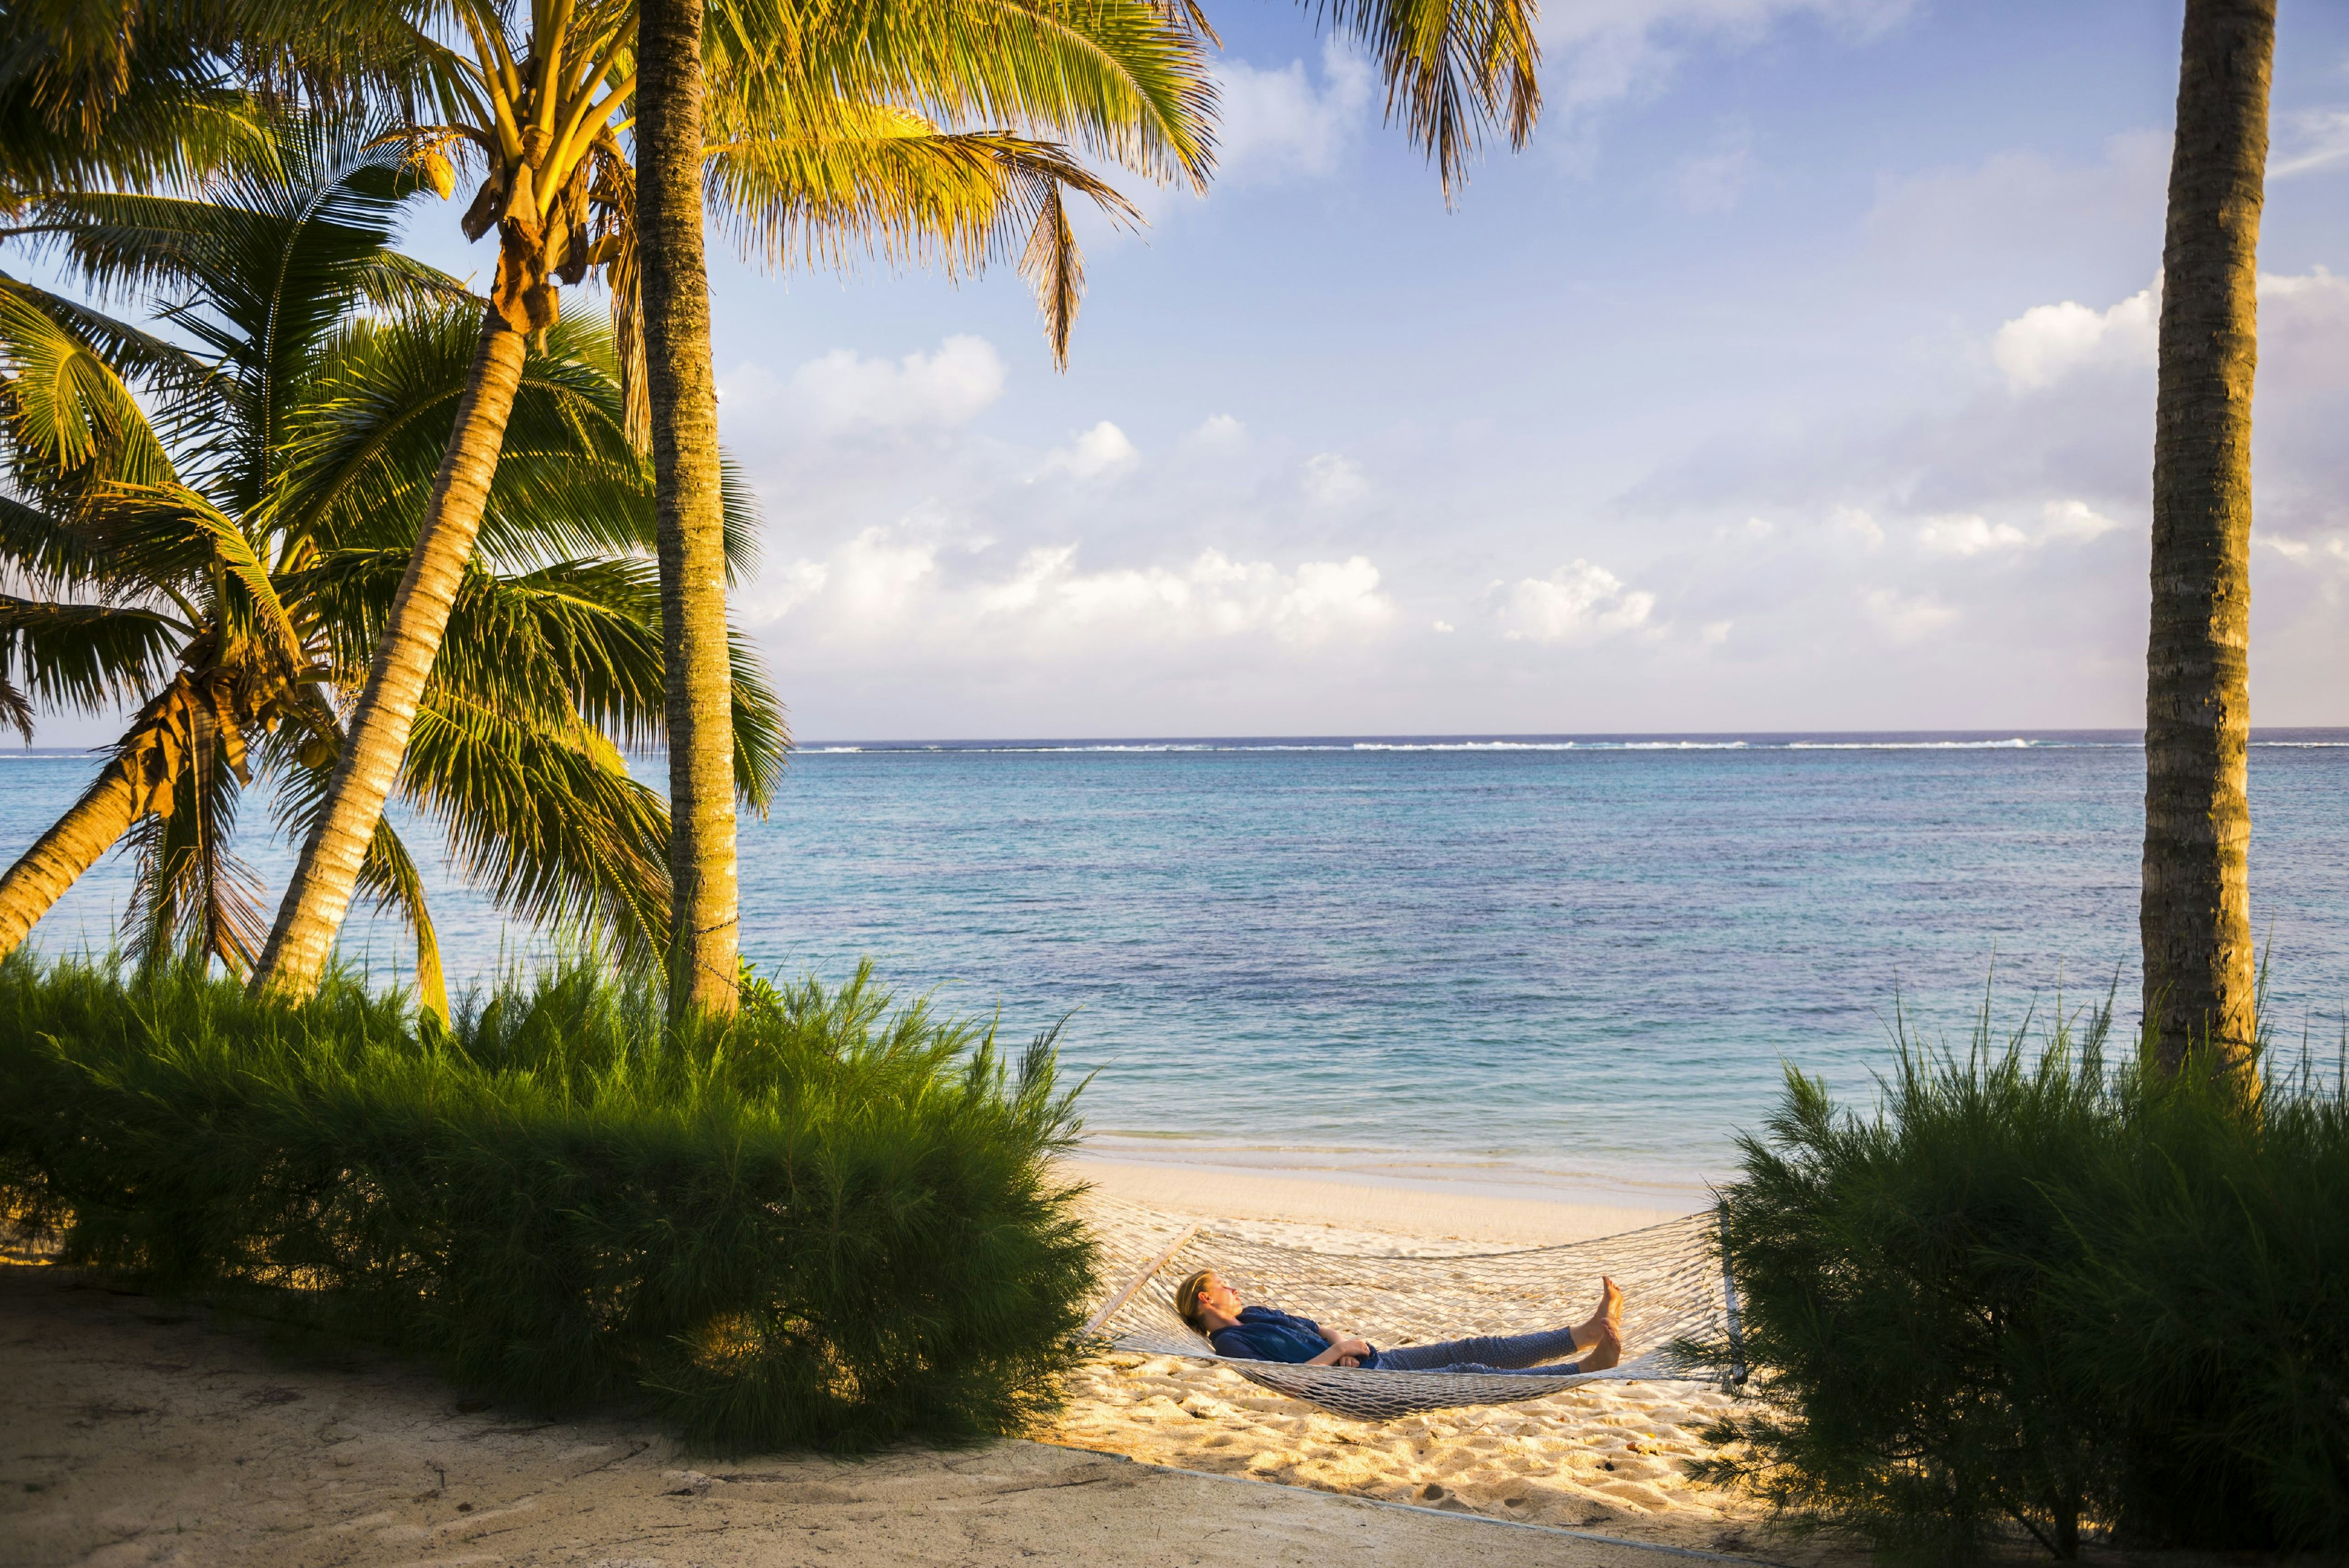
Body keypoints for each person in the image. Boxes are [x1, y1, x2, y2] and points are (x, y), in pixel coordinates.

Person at [1172, 1271, 1624, 1375]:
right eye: (1225, 1285)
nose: (1235, 1288)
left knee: (1472, 1346)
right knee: (1469, 1376)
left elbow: (1314, 1324)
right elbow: (1293, 1382)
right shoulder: (1230, 1342)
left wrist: (1341, 1340)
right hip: (1359, 1388)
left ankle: (1584, 1334)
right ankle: (1589, 1366)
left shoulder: (1253, 1313)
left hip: (1372, 1360)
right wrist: (1336, 1355)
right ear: (1206, 1298)